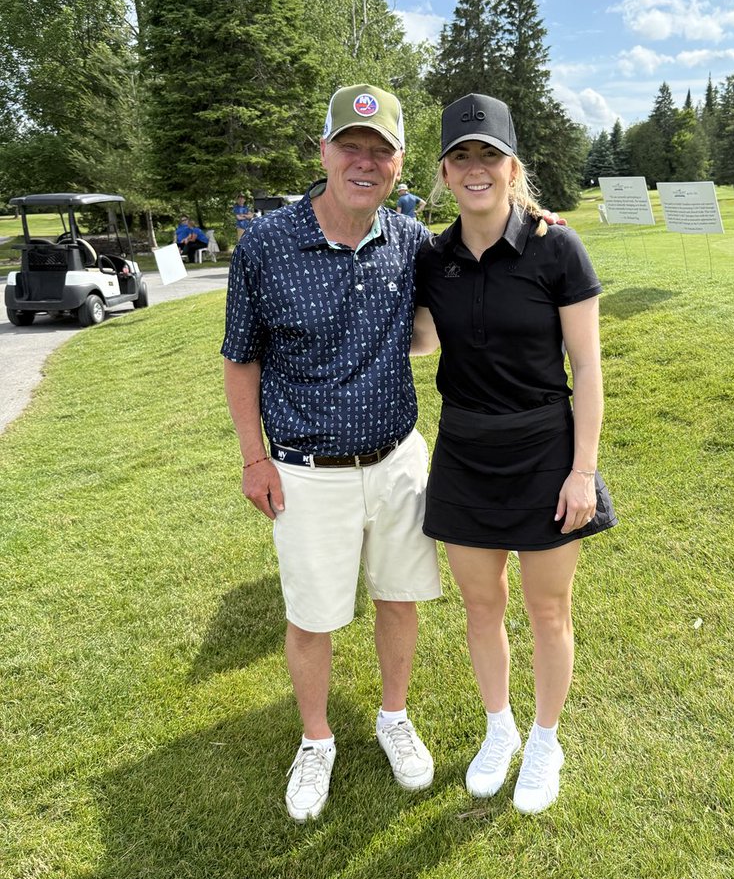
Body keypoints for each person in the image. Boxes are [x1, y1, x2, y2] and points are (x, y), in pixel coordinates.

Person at [221, 85, 442, 824]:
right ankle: (317, 739)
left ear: (399, 165)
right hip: (306, 470)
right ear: (323, 152)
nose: (364, 162)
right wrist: (254, 459)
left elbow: (484, 254)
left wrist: (534, 222)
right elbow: (241, 359)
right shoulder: (266, 245)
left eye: (381, 151)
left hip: (397, 459)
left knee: (399, 597)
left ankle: (393, 716)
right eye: (351, 146)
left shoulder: (410, 240)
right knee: (313, 615)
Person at [413, 93, 617, 815]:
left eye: (489, 156)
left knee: (548, 608)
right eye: (461, 156)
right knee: (481, 604)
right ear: (444, 172)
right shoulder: (430, 257)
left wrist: (583, 471)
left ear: (512, 167)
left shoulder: (556, 247)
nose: (476, 169)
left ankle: (545, 739)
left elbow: (587, 367)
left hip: (544, 450)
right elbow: (421, 339)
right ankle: (499, 728)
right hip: (465, 450)